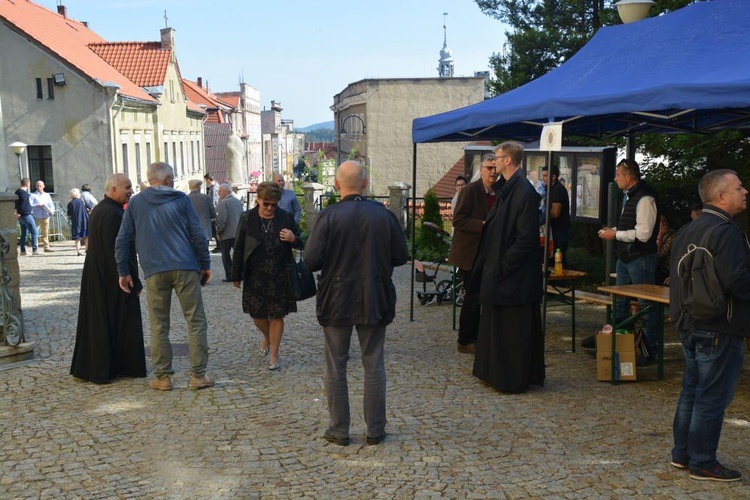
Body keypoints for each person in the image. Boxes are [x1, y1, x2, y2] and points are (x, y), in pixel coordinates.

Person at [306, 161, 408, 446]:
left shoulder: (327, 217)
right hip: (375, 297)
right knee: (374, 364)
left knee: (336, 366)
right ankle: (375, 430)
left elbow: (311, 260)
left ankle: (339, 430)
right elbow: (401, 256)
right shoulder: (384, 216)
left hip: (336, 298)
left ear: (337, 185)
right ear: (365, 184)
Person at [669, 169, 750, 482]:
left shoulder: (690, 228)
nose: (744, 191)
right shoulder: (726, 231)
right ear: (721, 196)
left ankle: (683, 454)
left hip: (690, 323)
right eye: (739, 187)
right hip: (719, 326)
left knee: (692, 391)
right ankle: (702, 461)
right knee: (711, 396)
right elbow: (737, 281)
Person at [115, 162, 214, 391]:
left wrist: (123, 271)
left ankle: (163, 377)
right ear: (168, 179)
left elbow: (123, 240)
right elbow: (197, 234)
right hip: (185, 266)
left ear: (150, 180)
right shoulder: (181, 200)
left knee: (159, 325)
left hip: (154, 270)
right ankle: (198, 376)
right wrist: (205, 264)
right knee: (196, 321)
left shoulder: (136, 202)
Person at [471, 142, 544, 394]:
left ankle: (510, 378)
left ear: (508, 161)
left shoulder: (523, 192)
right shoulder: (508, 188)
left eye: (497, 158)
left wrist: (503, 266)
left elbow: (525, 239)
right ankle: (493, 373)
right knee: (496, 325)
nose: (494, 162)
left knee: (512, 331)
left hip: (513, 278)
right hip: (501, 273)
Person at [70, 173, 146, 384]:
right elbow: (118, 251)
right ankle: (120, 366)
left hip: (98, 273)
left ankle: (100, 366)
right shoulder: (114, 214)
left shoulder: (101, 210)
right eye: (127, 187)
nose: (131, 191)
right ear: (113, 190)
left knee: (101, 321)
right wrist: (131, 278)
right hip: (111, 277)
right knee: (121, 320)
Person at [594, 159, 660, 365]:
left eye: (618, 175)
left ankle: (650, 350)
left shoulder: (645, 198)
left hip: (640, 258)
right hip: (626, 257)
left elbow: (644, 234)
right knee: (619, 302)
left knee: (647, 305)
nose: (615, 178)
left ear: (629, 176)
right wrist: (613, 231)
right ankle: (620, 344)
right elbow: (629, 226)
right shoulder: (629, 196)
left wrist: (616, 234)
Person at [231, 181, 302, 370]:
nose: (270, 208)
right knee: (258, 315)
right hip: (255, 275)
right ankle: (267, 337)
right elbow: (239, 247)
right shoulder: (247, 218)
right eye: (266, 204)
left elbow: (301, 242)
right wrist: (235, 275)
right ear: (258, 200)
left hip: (279, 274)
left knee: (277, 315)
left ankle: (274, 354)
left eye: (274, 204)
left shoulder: (285, 217)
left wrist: (293, 238)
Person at [447, 154, 497, 354]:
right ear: (481, 169)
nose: (493, 172)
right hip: (470, 253)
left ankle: (480, 337)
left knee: (485, 297)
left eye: (495, 168)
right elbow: (458, 220)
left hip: (490, 253)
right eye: (489, 168)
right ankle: (465, 340)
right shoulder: (469, 190)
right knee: (473, 297)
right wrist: (483, 225)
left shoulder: (499, 192)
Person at [541, 165, 571, 264]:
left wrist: (540, 216)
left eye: (545, 176)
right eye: (542, 175)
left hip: (559, 232)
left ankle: (560, 279)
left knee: (557, 260)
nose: (543, 178)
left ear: (553, 177)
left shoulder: (558, 190)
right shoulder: (548, 189)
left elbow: (555, 213)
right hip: (552, 231)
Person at [216, 183, 243, 282]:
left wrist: (219, 232)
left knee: (226, 257)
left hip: (227, 234)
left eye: (220, 191)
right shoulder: (237, 201)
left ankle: (230, 275)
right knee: (238, 255)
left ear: (226, 192)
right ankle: (241, 274)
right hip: (238, 233)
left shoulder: (224, 203)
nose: (218, 193)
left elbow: (222, 220)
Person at [14, 178, 38, 256]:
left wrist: (17, 212)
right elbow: (22, 204)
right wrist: (19, 213)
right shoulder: (23, 193)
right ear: (28, 184)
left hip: (21, 216)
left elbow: (17, 204)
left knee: (24, 233)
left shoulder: (17, 192)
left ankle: (23, 250)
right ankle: (35, 250)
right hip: (26, 214)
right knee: (34, 232)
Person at [29, 179, 55, 252]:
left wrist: (51, 210)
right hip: (37, 216)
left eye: (40, 186)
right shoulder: (32, 195)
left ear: (43, 186)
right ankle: (35, 247)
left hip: (46, 215)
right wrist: (37, 205)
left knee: (45, 232)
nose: (39, 187)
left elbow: (51, 204)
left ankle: (46, 247)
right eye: (37, 186)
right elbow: (30, 205)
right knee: (35, 231)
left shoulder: (47, 195)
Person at [67, 188, 89, 256]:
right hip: (84, 220)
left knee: (77, 238)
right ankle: (87, 250)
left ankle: (78, 251)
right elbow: (89, 207)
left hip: (76, 221)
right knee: (86, 236)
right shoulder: (82, 201)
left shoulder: (70, 203)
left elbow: (69, 214)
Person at [656, 214, 676, 286]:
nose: (662, 224)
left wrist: (660, 236)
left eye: (664, 221)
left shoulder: (672, 236)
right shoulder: (653, 233)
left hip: (667, 270)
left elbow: (659, 254)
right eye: (660, 221)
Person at [204, 173, 221, 253]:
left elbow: (214, 202)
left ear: (208, 180)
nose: (205, 183)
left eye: (205, 181)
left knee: (215, 229)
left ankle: (219, 246)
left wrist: (213, 214)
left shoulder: (214, 188)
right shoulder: (215, 186)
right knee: (215, 229)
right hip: (216, 211)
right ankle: (218, 245)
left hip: (216, 212)